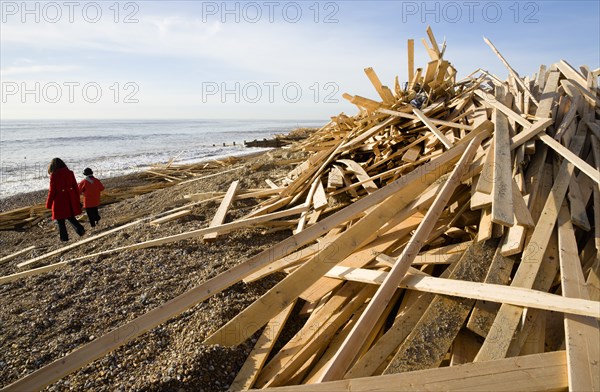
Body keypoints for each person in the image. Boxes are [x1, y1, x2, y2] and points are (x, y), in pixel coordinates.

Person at [46, 158, 85, 241]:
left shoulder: (54, 175)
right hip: (70, 198)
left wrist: (48, 204)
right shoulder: (70, 173)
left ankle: (64, 238)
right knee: (70, 216)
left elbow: (52, 191)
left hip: (59, 199)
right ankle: (80, 229)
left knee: (60, 220)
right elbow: (75, 187)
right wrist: (77, 199)